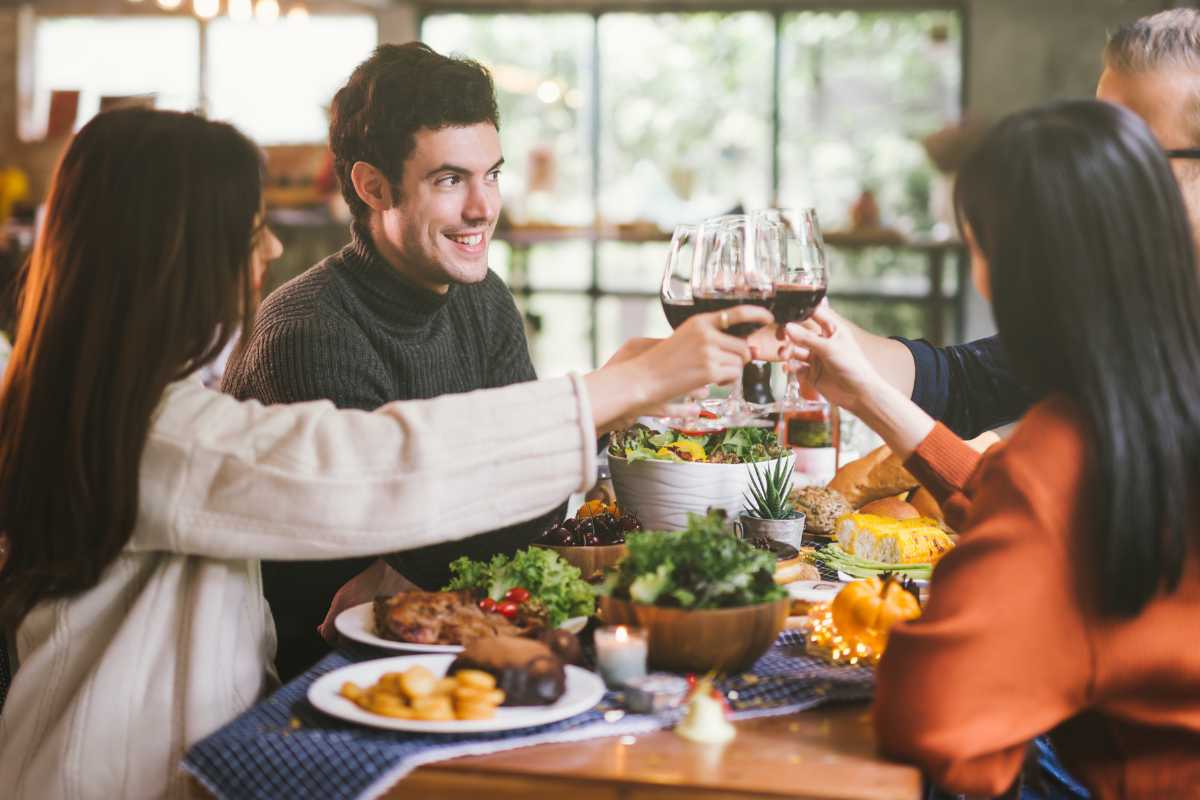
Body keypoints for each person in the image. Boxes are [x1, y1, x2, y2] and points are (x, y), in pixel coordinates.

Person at [0, 107, 771, 800]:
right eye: (250, 230)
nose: (271, 246)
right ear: (169, 259)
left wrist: (614, 394)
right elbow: (369, 466)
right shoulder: (150, 434)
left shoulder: (109, 402)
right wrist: (620, 388)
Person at [787, 100, 1200, 798]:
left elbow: (936, 721)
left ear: (1009, 271)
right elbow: (1037, 505)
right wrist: (867, 395)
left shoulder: (1066, 453)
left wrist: (939, 603)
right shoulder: (1157, 399)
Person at [222, 42, 575, 679]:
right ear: (373, 187)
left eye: (492, 174)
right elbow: (385, 528)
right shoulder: (308, 329)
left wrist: (419, 560)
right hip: (321, 677)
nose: (483, 208)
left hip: (448, 640)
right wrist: (435, 542)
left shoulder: (485, 299)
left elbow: (537, 487)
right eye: (450, 180)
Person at [836, 8, 1200, 439]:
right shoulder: (1131, 304)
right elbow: (965, 386)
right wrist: (820, 334)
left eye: (1132, 152)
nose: (1096, 173)